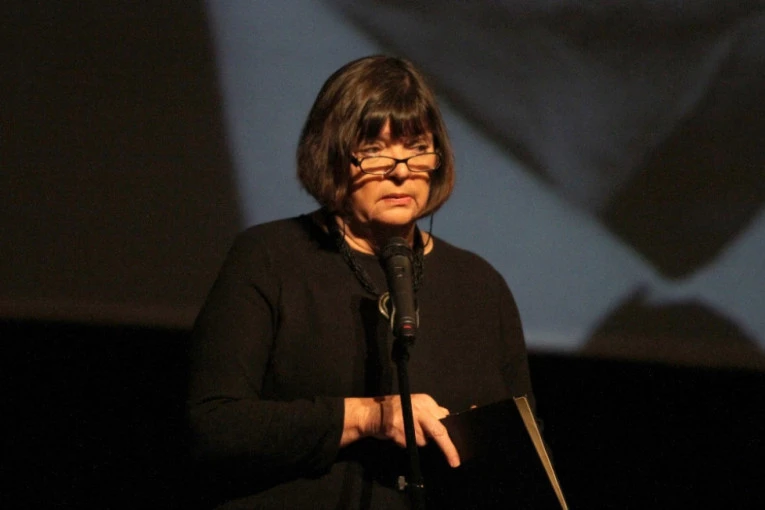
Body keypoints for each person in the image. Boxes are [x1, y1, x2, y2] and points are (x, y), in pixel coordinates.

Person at [186, 55, 536, 509]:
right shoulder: (270, 257)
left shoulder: (479, 285)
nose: (400, 170)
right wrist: (369, 416)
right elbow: (214, 426)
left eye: (417, 147)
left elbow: (523, 453)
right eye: (374, 150)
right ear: (331, 155)